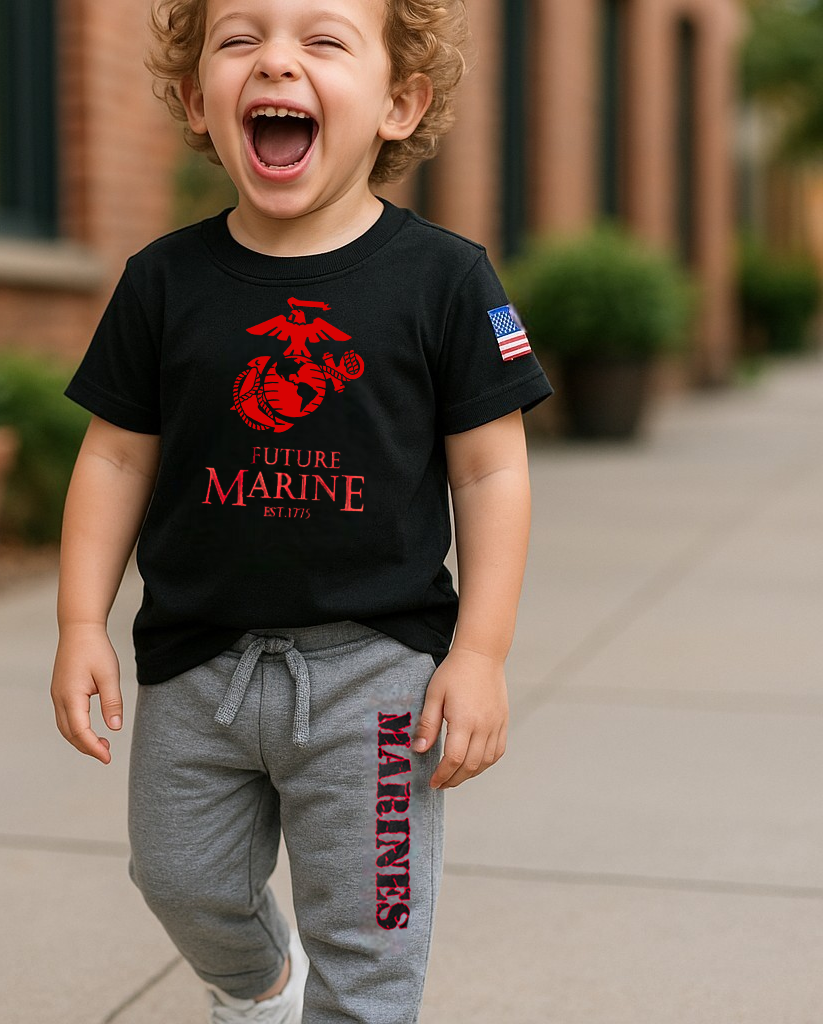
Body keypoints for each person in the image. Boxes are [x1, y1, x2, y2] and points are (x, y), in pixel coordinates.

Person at [50, 0, 553, 1021]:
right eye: (241, 39)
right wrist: (78, 621)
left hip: (380, 677)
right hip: (197, 663)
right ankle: (258, 987)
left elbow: (492, 474)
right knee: (179, 877)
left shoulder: (447, 280)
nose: (277, 60)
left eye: (322, 40)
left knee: (373, 933)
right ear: (198, 98)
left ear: (399, 104)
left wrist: (481, 652)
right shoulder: (162, 282)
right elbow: (114, 455)